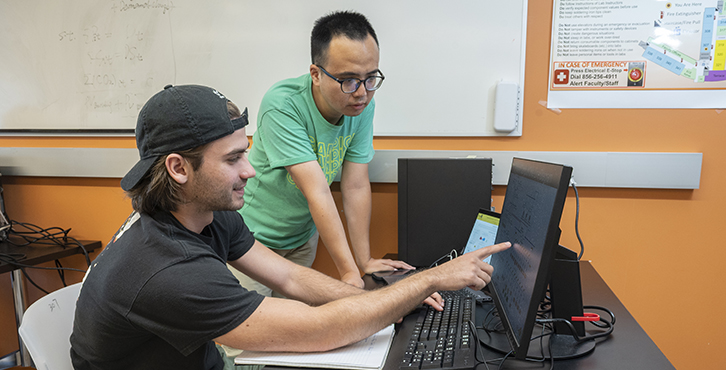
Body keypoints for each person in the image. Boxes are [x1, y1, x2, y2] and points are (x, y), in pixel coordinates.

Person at [69, 84, 510, 369]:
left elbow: (288, 275)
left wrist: (386, 299)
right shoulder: (168, 271)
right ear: (179, 168)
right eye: (232, 159)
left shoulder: (202, 215)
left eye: (246, 153)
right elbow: (317, 330)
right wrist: (426, 281)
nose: (251, 171)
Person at [237, 10, 406, 292]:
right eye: (349, 80)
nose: (362, 92)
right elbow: (317, 190)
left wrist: (364, 261)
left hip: (301, 239)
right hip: (252, 241)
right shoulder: (283, 105)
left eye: (371, 78)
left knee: (296, 332)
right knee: (253, 332)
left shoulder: (361, 107)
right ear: (316, 74)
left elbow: (355, 185)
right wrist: (349, 273)